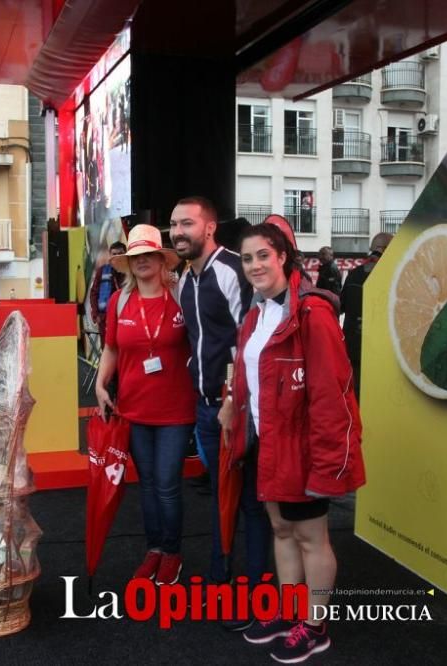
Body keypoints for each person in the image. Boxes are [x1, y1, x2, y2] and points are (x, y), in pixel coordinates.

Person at [218, 223, 365, 662]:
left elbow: (330, 394)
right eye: (247, 259)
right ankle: (290, 611)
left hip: (304, 447)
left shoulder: (312, 314)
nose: (255, 265)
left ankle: (315, 626)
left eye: (263, 255)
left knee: (310, 537)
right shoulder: (256, 314)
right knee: (281, 529)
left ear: (283, 256)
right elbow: (247, 375)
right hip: (268, 443)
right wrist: (231, 405)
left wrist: (327, 464)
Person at [170, 195, 269, 615]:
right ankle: (220, 573)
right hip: (206, 410)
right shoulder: (185, 279)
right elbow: (196, 342)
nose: (177, 232)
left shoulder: (230, 269)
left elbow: (249, 342)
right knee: (219, 494)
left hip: (238, 410)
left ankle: (256, 590)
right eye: (174, 225)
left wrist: (233, 401)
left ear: (208, 228)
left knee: (249, 500)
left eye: (187, 224)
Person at [94, 225, 195, 585]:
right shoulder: (121, 302)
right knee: (149, 484)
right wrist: (100, 383)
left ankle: (172, 552)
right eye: (135, 257)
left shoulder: (183, 296)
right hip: (133, 409)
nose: (142, 262)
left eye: (148, 255)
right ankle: (154, 548)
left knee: (167, 483)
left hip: (176, 410)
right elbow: (111, 349)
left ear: (161, 258)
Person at [340, 232, 393, 399]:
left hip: (353, 343)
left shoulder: (354, 273)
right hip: (379, 346)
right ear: (384, 249)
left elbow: (342, 306)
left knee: (356, 391)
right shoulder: (389, 274)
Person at [88, 241, 127, 341]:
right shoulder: (102, 271)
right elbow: (93, 293)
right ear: (110, 255)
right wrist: (96, 315)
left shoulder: (131, 271)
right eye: (114, 254)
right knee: (106, 349)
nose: (117, 256)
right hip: (105, 319)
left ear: (126, 254)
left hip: (127, 318)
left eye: (120, 253)